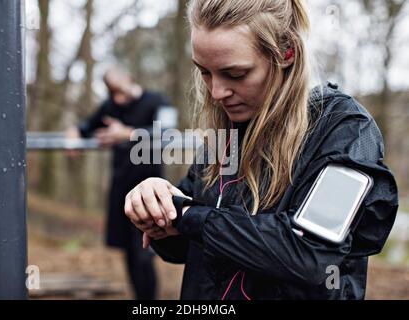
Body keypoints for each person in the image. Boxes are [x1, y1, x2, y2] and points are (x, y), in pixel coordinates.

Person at [124, 0, 398, 300]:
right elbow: (188, 246)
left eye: (236, 74)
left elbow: (310, 253)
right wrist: (155, 207)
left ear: (286, 53)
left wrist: (187, 216)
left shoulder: (345, 130)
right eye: (204, 72)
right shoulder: (226, 133)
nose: (216, 92)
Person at [67, 66, 171, 299]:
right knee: (129, 253)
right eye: (112, 92)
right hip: (121, 188)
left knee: (144, 251)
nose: (117, 98)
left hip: (150, 187)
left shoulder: (157, 100)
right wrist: (74, 132)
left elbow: (167, 131)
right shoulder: (110, 105)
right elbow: (87, 126)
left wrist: (128, 133)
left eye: (120, 90)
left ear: (130, 78)